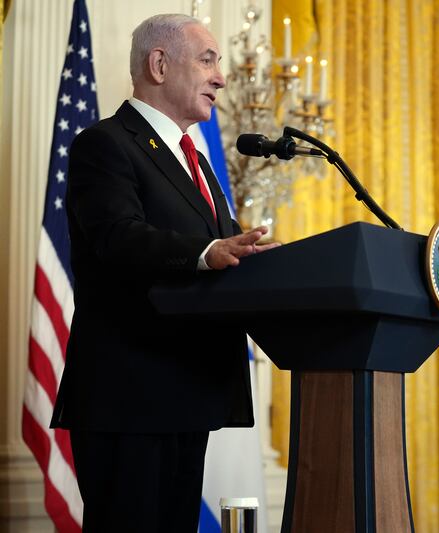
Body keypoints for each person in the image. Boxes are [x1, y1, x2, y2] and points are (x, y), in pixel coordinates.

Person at [49, 14, 278, 532]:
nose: (221, 76)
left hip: (187, 393)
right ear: (158, 64)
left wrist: (265, 261)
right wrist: (208, 252)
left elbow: (226, 248)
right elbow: (118, 237)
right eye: (207, 60)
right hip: (128, 398)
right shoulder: (104, 144)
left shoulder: (194, 161)